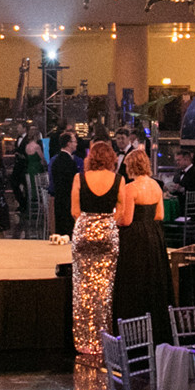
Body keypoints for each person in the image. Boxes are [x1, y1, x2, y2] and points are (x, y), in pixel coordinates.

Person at [109, 147, 172, 329]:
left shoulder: (130, 188)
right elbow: (160, 215)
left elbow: (126, 220)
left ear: (131, 166)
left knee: (134, 280)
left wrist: (114, 218)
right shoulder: (156, 186)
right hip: (154, 235)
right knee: (153, 278)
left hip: (135, 238)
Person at [68, 141, 121, 356]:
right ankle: (103, 339)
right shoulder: (119, 179)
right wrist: (105, 224)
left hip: (84, 233)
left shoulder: (79, 178)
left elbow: (75, 211)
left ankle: (84, 339)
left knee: (83, 288)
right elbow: (121, 213)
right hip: (107, 234)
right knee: (104, 290)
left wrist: (89, 225)